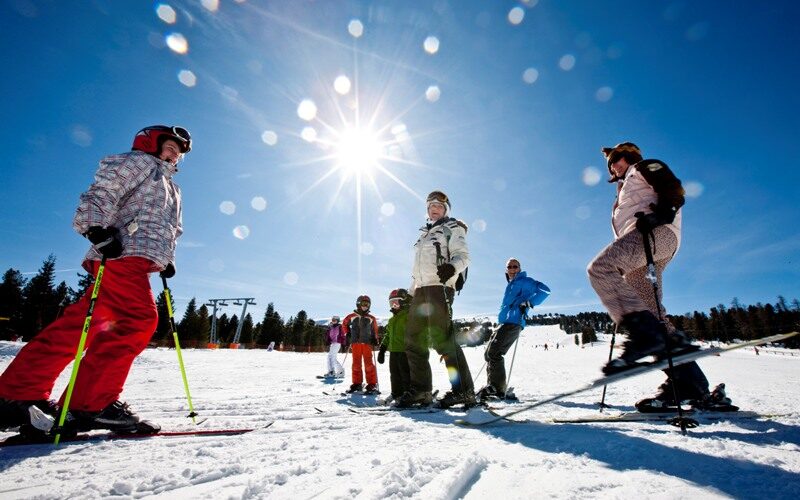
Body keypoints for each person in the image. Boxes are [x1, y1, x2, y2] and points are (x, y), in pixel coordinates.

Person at [0, 125, 192, 436]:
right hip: (122, 253)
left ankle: (17, 393)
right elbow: (104, 191)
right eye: (171, 147)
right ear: (151, 143)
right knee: (135, 320)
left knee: (81, 326)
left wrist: (167, 260)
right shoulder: (139, 163)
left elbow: (172, 228)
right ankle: (90, 404)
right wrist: (94, 228)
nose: (175, 155)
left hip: (138, 258)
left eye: (179, 153)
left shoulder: (172, 187)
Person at [587, 142, 734, 412]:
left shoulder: (643, 167)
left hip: (655, 234)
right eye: (609, 164)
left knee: (600, 269)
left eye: (616, 159)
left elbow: (672, 187)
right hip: (642, 247)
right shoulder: (623, 189)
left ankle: (644, 335)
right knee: (653, 318)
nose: (613, 166)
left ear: (629, 156)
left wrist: (663, 214)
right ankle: (690, 384)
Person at [396, 190, 474, 409]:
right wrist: (410, 294)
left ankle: (463, 391)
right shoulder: (423, 235)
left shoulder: (452, 228)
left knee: (443, 341)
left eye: (439, 205)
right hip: (421, 291)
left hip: (440, 288)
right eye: (431, 206)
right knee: (413, 341)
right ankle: (421, 391)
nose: (434, 209)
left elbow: (463, 256)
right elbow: (417, 272)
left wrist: (452, 267)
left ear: (446, 209)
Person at [476, 258, 550, 402]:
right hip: (505, 322)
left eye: (515, 266)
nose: (512, 269)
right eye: (509, 267)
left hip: (514, 321)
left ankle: (497, 388)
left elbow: (545, 290)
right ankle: (493, 386)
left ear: (519, 268)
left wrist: (530, 302)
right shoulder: (511, 285)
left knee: (495, 353)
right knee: (489, 353)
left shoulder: (525, 281)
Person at [377, 289, 412, 403]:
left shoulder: (408, 316)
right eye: (392, 303)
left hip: (404, 351)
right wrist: (382, 349)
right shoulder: (391, 320)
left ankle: (407, 393)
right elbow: (387, 335)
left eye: (396, 302)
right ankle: (396, 393)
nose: (394, 305)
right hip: (393, 351)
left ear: (404, 302)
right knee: (394, 374)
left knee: (405, 374)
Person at [341, 295, 380, 394]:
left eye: (367, 304)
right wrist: (347, 333)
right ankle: (357, 383)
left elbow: (375, 329)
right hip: (355, 343)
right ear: (358, 304)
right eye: (363, 304)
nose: (365, 306)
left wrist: (375, 339)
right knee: (356, 364)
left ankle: (372, 384)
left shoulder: (371, 318)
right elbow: (344, 324)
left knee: (369, 364)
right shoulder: (351, 316)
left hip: (367, 343)